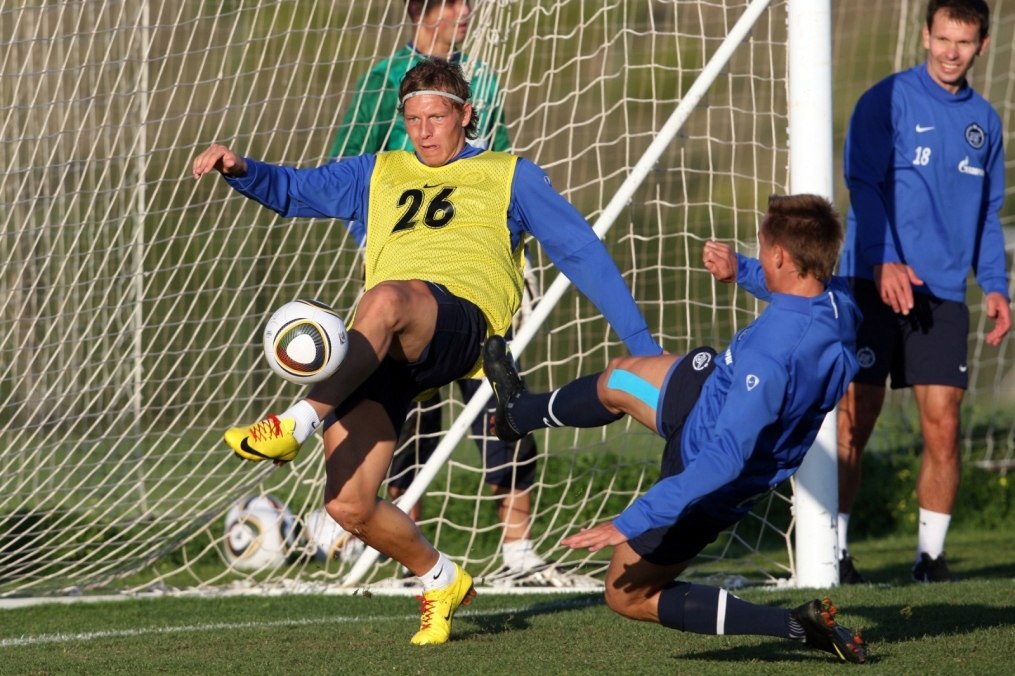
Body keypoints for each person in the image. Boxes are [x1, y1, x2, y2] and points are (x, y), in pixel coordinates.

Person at [192, 58, 662, 645]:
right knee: (347, 505)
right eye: (412, 119)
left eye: (436, 117)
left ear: (465, 114)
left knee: (386, 296)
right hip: (386, 346)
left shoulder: (507, 173)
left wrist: (643, 347)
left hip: (465, 327)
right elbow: (293, 190)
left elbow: (582, 253)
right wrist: (240, 168)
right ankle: (441, 578)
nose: (424, 131)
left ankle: (293, 422)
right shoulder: (379, 171)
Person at [484, 194, 867, 664]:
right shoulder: (838, 301)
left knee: (625, 595)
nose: (759, 251)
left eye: (763, 247)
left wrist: (632, 520)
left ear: (782, 257)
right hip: (715, 391)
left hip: (705, 467)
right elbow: (797, 295)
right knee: (619, 378)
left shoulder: (771, 358)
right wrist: (743, 270)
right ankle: (517, 414)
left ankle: (794, 625)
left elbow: (723, 460)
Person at [331, 0, 545, 577]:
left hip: (475, 275)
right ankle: (406, 547)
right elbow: (352, 167)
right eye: (454, 2)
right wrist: (382, 248)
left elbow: (488, 167)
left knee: (497, 394)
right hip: (400, 281)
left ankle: (518, 547)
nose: (466, 10)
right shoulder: (382, 82)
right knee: (404, 407)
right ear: (422, 9)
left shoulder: (484, 79)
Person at [836, 0, 1011, 585]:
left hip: (940, 294)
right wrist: (884, 259)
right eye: (941, 39)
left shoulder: (985, 121)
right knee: (855, 420)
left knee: (944, 421)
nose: (950, 52)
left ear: (982, 45)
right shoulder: (886, 100)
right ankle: (832, 552)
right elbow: (861, 182)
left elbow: (988, 212)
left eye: (963, 42)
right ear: (925, 36)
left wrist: (995, 284)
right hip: (872, 280)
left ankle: (929, 559)